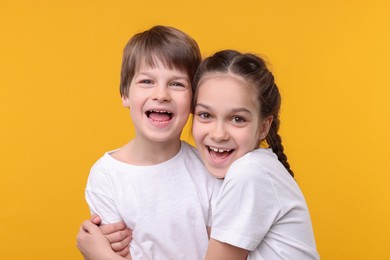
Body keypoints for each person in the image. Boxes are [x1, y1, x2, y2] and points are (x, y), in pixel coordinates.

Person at [78, 49, 320, 259]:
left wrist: (101, 255)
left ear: (264, 127)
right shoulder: (243, 171)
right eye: (205, 115)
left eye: (238, 119)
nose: (219, 133)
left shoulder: (249, 173)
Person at [77, 25, 217, 260]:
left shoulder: (209, 167)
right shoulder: (106, 176)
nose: (161, 94)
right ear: (125, 94)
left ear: (194, 100)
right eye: (146, 81)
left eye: (177, 84)